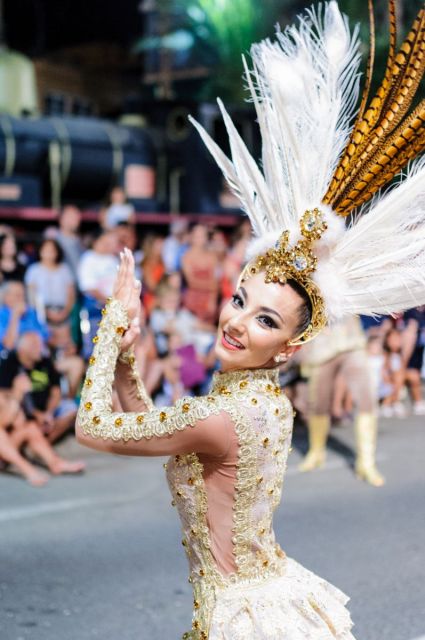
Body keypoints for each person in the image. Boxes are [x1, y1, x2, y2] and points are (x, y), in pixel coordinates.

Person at [76, 3, 425, 638]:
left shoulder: (225, 414)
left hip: (243, 619)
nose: (234, 322)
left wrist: (110, 325)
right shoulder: (253, 400)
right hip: (259, 600)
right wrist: (129, 354)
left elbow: (96, 429)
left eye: (264, 319)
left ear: (290, 347)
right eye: (240, 300)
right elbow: (148, 423)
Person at [298, 317, 385, 486]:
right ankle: (316, 452)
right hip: (320, 346)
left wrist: (375, 336)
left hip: (352, 342)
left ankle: (366, 463)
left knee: (367, 400)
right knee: (318, 402)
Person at [0, 332, 79, 444]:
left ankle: (45, 442)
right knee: (19, 417)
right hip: (24, 410)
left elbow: (56, 391)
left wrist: (49, 413)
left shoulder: (45, 361)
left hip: (48, 410)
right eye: (35, 345)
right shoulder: (9, 363)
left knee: (71, 408)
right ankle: (37, 443)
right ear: (23, 349)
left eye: (40, 345)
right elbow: (4, 394)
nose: (41, 348)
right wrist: (37, 414)